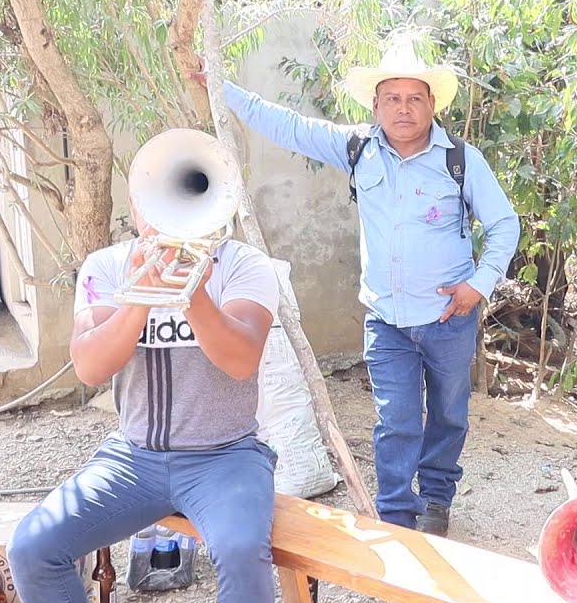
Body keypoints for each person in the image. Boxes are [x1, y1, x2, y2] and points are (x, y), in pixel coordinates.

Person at [196, 39, 520, 536]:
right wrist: (219, 86)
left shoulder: (461, 159)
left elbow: (504, 225)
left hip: (450, 320)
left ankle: (436, 499)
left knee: (449, 416)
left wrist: (478, 286)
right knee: (397, 421)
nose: (404, 108)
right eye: (392, 97)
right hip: (386, 320)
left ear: (432, 104)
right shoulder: (358, 149)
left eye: (415, 97)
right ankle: (395, 513)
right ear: (376, 105)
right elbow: (286, 124)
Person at [7, 129, 281, 603]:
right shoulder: (106, 268)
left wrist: (192, 294)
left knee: (242, 552)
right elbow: (90, 367)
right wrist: (140, 298)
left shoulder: (246, 266)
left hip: (226, 456)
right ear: (134, 207)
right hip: (134, 456)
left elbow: (241, 360)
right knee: (32, 548)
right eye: (148, 205)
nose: (160, 218)